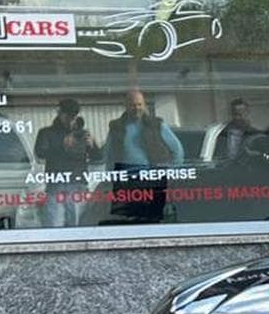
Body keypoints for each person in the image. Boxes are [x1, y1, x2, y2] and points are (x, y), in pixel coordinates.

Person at [104, 88, 182, 224]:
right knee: (131, 221)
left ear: (144, 105)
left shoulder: (156, 125)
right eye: (133, 105)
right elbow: (108, 155)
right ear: (126, 106)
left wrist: (171, 174)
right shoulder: (116, 127)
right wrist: (110, 179)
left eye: (139, 104)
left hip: (152, 181)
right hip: (127, 183)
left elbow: (177, 150)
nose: (136, 108)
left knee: (153, 220)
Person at [32, 97, 93, 228]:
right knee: (54, 225)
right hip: (56, 183)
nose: (70, 119)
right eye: (67, 115)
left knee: (78, 226)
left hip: (78, 183)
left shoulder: (82, 134)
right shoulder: (47, 133)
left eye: (73, 116)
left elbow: (98, 157)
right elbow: (40, 153)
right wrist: (62, 145)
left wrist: (92, 145)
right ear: (59, 113)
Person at [215, 98, 259, 163]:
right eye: (235, 114)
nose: (237, 118)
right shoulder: (221, 134)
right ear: (231, 114)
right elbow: (217, 156)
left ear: (247, 113)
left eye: (241, 114)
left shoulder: (256, 134)